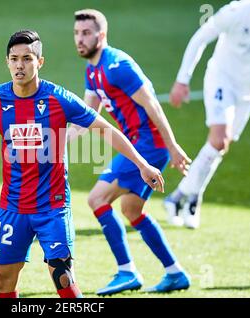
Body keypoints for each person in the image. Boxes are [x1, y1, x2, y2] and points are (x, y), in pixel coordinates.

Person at [0, 29, 166, 298]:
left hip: (52, 206)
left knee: (63, 276)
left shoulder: (59, 98)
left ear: (40, 62)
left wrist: (141, 164)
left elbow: (105, 129)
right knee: (2, 279)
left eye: (27, 58)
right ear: (7, 62)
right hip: (13, 205)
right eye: (14, 59)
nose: (19, 65)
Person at [70, 9, 192, 295]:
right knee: (130, 209)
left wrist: (172, 147)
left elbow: (152, 105)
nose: (80, 39)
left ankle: (126, 271)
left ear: (101, 35)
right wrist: (55, 145)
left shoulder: (118, 65)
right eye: (76, 34)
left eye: (86, 33)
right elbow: (88, 117)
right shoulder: (93, 70)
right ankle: (175, 273)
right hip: (141, 144)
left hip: (148, 145)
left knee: (97, 199)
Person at [164, 0, 250, 229]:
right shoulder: (236, 11)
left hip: (249, 92)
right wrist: (182, 79)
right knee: (219, 139)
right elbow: (200, 38)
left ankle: (181, 196)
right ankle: (189, 199)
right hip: (221, 81)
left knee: (220, 146)